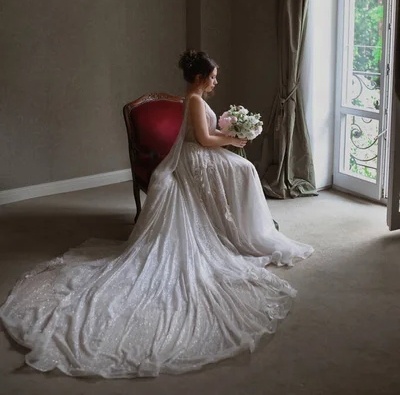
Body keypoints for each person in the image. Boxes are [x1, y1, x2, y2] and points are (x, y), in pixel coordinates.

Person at [0, 50, 313, 378]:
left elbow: (207, 135)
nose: (216, 80)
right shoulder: (193, 100)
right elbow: (204, 140)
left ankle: (242, 225)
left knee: (244, 168)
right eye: (213, 76)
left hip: (199, 154)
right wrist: (235, 139)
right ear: (198, 79)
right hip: (195, 158)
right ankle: (242, 229)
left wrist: (232, 136)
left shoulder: (194, 98)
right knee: (245, 168)